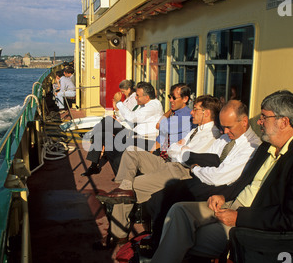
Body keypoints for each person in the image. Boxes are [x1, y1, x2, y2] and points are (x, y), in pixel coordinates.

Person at [145, 90, 293, 263]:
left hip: (254, 226)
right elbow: (244, 182)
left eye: (264, 117)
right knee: (179, 210)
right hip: (232, 206)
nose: (260, 122)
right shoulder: (267, 148)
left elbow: (292, 219)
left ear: (284, 122)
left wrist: (239, 218)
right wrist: (222, 195)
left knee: (181, 238)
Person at [95, 95, 222, 243]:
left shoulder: (213, 135)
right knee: (131, 151)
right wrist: (181, 149)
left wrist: (181, 150)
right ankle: (125, 188)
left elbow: (188, 159)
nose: (192, 113)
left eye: (195, 109)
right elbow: (171, 150)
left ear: (206, 113)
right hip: (168, 162)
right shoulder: (196, 130)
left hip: (180, 172)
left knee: (132, 185)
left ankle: (118, 234)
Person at [148, 100, 261, 245]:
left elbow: (218, 177)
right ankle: (158, 240)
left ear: (244, 122)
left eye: (229, 127)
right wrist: (200, 164)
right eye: (224, 126)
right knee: (158, 198)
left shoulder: (252, 146)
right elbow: (207, 158)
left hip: (220, 192)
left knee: (166, 201)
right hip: (202, 181)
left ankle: (160, 244)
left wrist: (195, 168)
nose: (225, 131)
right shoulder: (226, 138)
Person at [81, 82, 164, 176]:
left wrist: (118, 102)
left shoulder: (153, 106)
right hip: (132, 132)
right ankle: (93, 166)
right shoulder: (144, 104)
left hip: (142, 139)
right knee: (105, 125)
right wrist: (118, 114)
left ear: (147, 97)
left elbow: (132, 117)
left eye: (138, 96)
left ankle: (119, 173)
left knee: (105, 132)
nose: (136, 97)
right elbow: (129, 117)